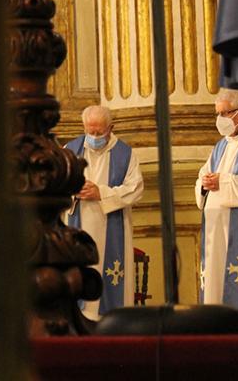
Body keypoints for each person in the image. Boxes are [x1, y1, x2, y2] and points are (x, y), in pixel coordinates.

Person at [64, 105, 144, 321]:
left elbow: (135, 189)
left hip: (111, 224)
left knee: (109, 283)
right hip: (78, 226)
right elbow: (57, 187)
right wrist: (74, 191)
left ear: (111, 128)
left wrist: (102, 193)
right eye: (90, 131)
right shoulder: (70, 150)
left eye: (100, 132)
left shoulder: (125, 154)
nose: (94, 136)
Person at [195, 89, 238, 331]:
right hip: (215, 231)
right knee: (214, 285)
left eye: (224, 113)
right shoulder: (220, 145)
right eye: (218, 114)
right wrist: (205, 184)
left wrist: (221, 182)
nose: (219, 118)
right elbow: (204, 176)